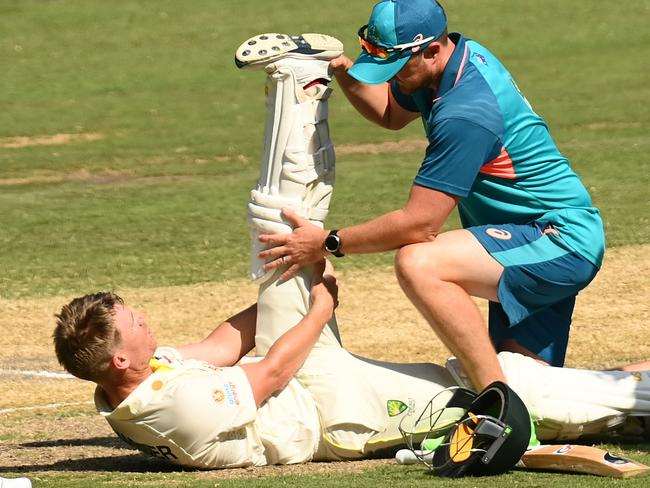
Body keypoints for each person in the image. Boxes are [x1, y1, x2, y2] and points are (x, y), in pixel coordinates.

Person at [256, 0, 606, 392]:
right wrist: (341, 70)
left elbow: (419, 224)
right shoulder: (449, 63)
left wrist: (327, 242)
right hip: (522, 240)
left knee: (420, 262)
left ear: (433, 50)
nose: (393, 78)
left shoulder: (465, 114)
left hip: (556, 240)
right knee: (542, 389)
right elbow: (389, 111)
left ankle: (496, 402)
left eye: (396, 67)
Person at [53, 261, 650, 470]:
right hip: (341, 420)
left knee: (490, 376)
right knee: (512, 398)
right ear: (118, 357)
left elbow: (220, 347)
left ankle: (629, 380)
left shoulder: (137, 377)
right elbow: (273, 373)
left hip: (322, 391)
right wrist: (320, 305)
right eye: (135, 321)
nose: (145, 318)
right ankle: (631, 397)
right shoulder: (174, 408)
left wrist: (280, 289)